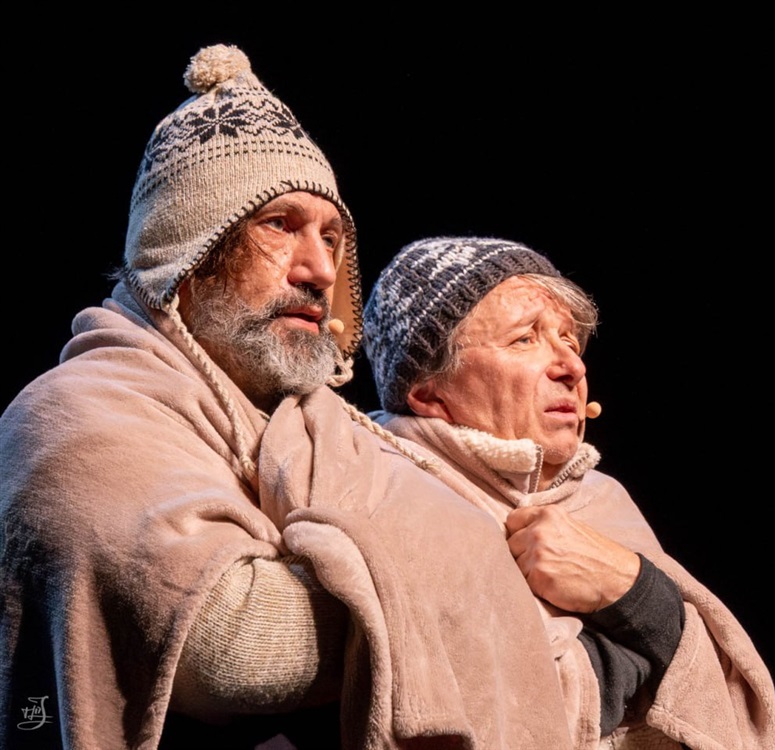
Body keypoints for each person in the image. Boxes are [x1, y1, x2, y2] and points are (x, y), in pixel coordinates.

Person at [0, 46, 581, 750]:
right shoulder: (75, 414)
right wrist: (497, 595)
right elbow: (234, 645)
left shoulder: (326, 428)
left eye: (332, 237)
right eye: (279, 224)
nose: (320, 270)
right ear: (185, 253)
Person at [362, 237, 775, 749]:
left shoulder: (601, 498)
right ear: (429, 392)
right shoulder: (386, 493)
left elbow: (727, 700)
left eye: (570, 342)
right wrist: (635, 661)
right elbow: (477, 708)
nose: (572, 367)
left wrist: (633, 589)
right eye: (524, 339)